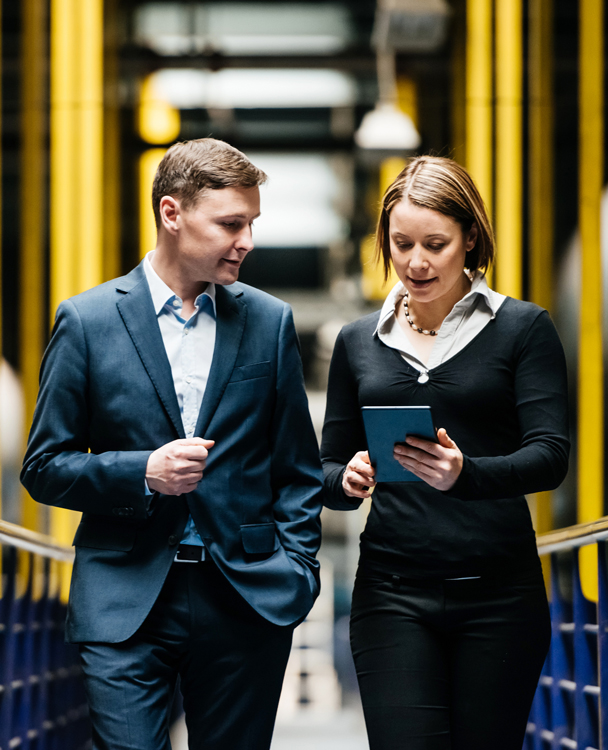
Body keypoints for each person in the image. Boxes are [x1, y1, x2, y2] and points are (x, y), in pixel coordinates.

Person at [21, 138, 323, 750]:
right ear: (171, 213)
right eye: (231, 224)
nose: (248, 242)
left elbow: (296, 470)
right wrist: (143, 472)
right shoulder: (87, 321)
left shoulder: (269, 322)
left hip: (244, 598)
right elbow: (44, 466)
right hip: (123, 600)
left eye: (252, 224)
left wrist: (298, 571)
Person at [321, 155, 569, 750]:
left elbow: (550, 455)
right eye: (401, 243)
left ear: (471, 238)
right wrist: (347, 478)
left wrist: (466, 474)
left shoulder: (524, 329)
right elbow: (325, 464)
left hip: (500, 594)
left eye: (435, 243)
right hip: (391, 593)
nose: (416, 261)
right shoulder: (358, 342)